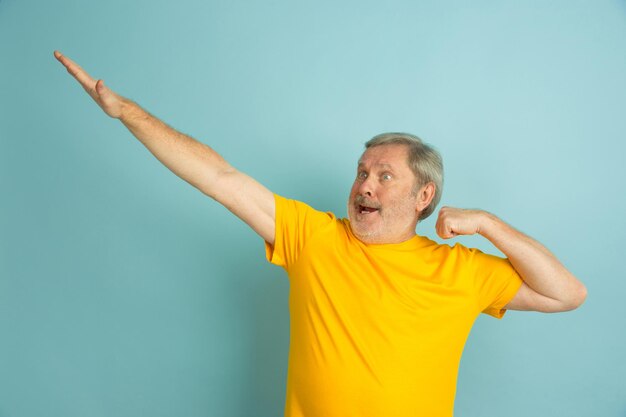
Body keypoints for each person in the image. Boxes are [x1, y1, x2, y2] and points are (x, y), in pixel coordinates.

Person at [54, 50, 587, 417]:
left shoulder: (462, 271)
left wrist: (489, 225)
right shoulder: (315, 237)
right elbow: (220, 179)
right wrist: (125, 112)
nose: (365, 185)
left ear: (424, 197)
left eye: (384, 175)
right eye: (361, 171)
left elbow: (566, 293)